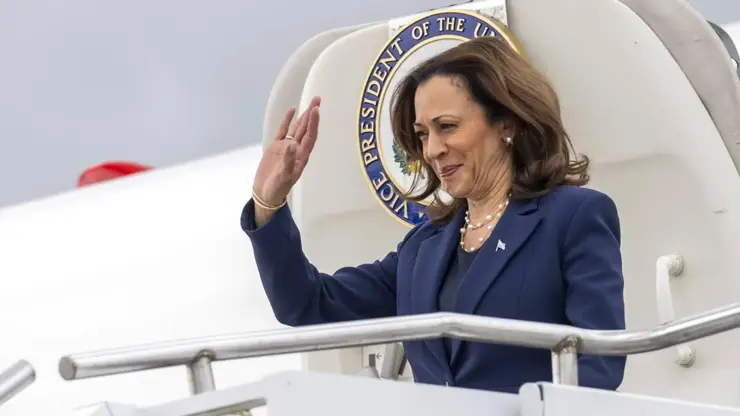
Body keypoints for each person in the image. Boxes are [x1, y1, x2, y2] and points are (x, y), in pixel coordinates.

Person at [241, 35, 626, 393]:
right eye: (424, 133)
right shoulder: (421, 248)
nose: (432, 150)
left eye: (447, 127)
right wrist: (268, 202)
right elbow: (307, 304)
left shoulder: (573, 217)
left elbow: (600, 364)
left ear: (506, 123)